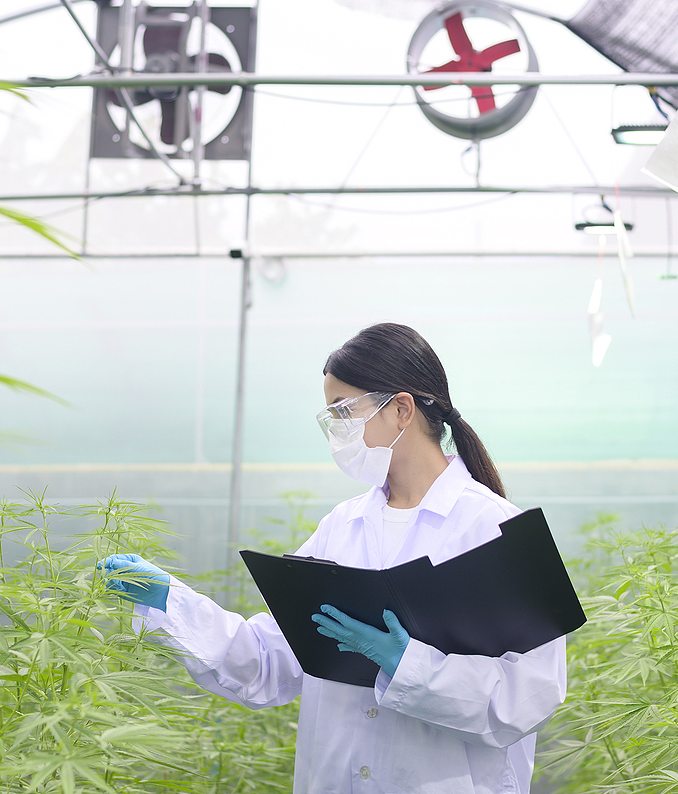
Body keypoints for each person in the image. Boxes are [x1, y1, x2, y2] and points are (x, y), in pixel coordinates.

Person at [99, 322, 566, 794]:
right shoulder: (341, 528)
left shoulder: (494, 530)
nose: (336, 429)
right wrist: (171, 602)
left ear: (401, 408)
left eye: (344, 410)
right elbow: (268, 662)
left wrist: (410, 665)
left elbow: (526, 698)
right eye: (329, 416)